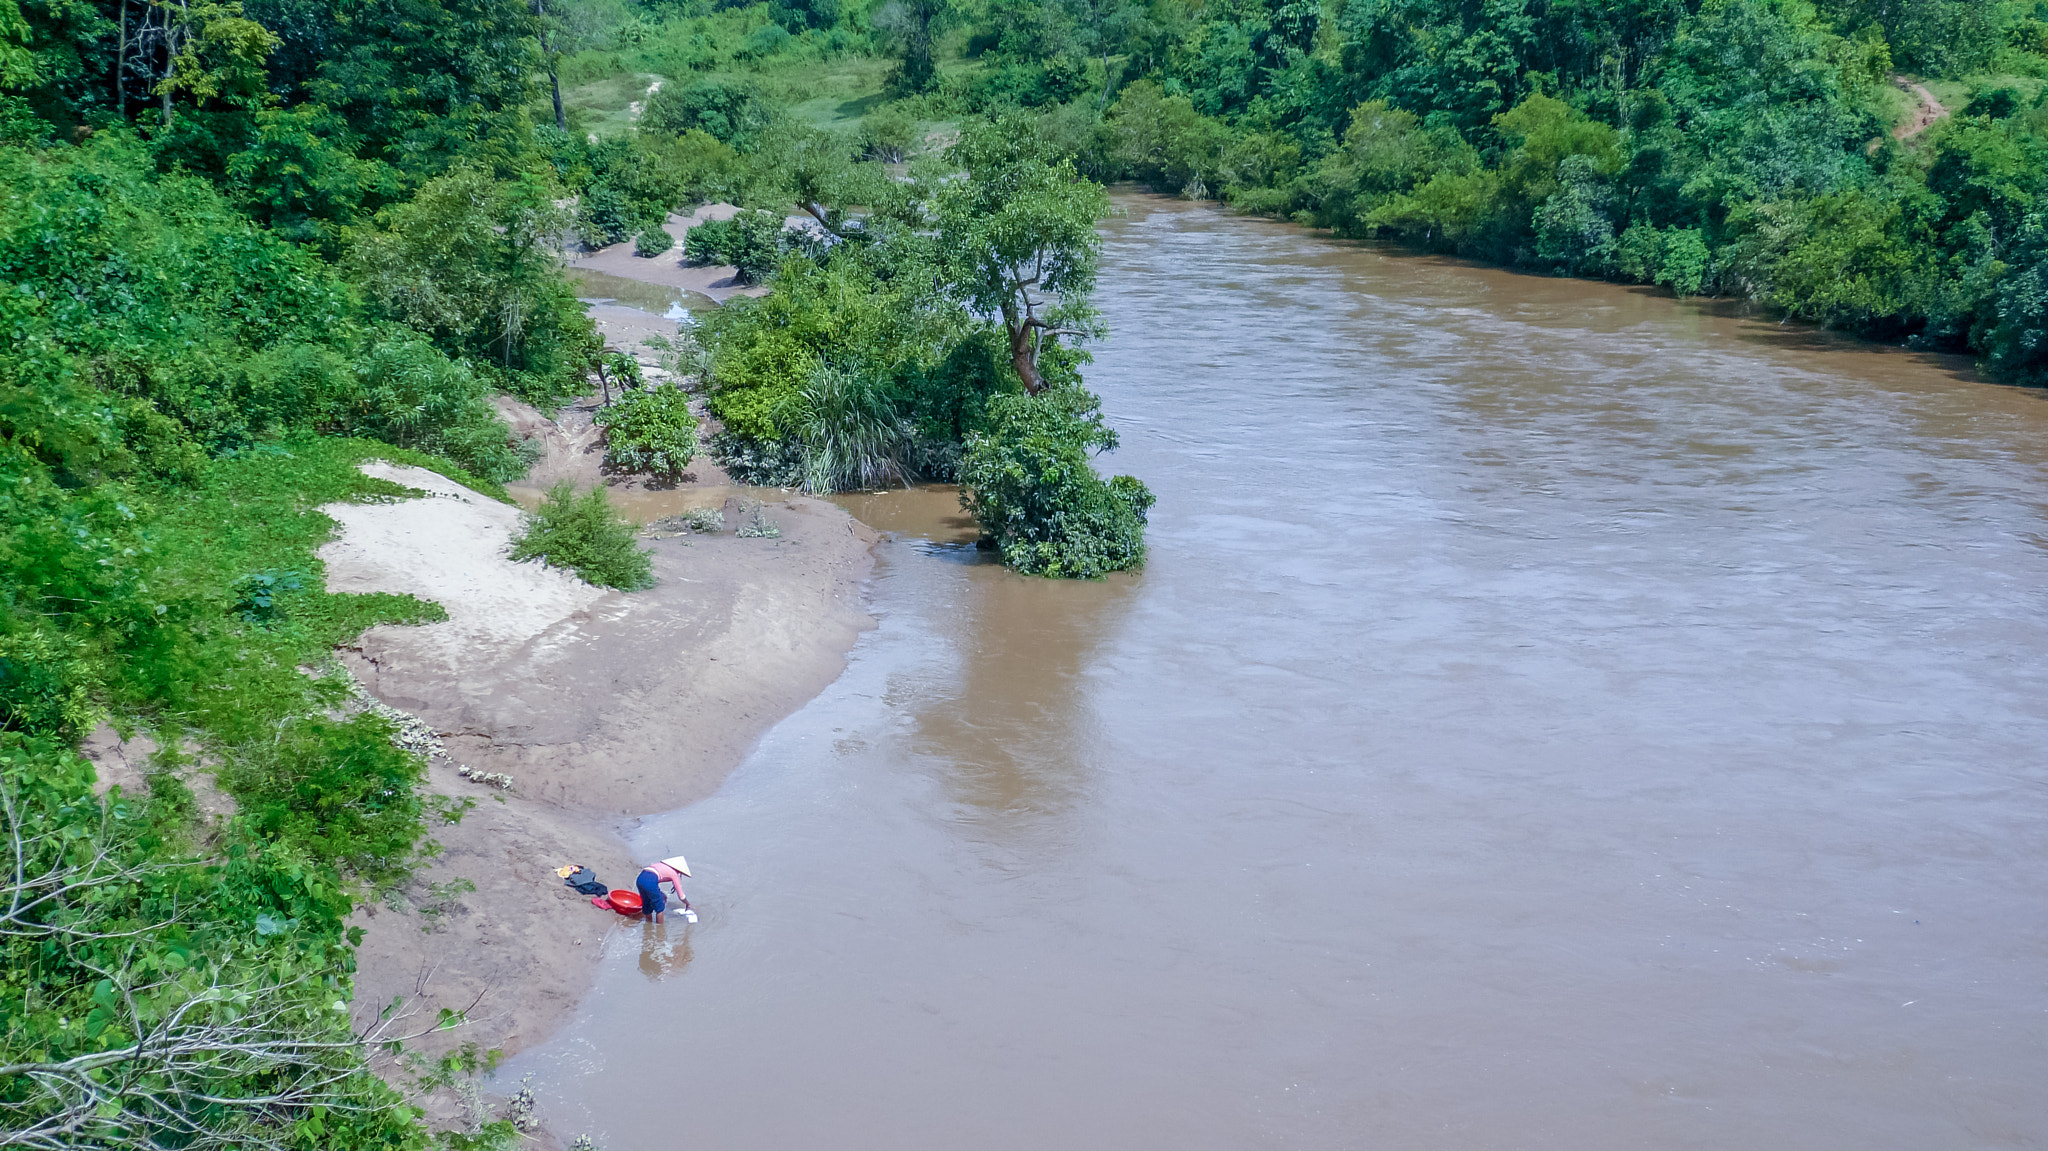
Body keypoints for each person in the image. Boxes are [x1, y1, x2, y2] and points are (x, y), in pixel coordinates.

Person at [635, 855, 691, 923]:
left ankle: (648, 925)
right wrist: (688, 904)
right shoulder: (674, 874)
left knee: (647, 903)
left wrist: (662, 894)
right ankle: (660, 929)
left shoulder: (659, 865)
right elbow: (681, 896)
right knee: (660, 907)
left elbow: (650, 880)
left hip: (640, 879)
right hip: (650, 882)